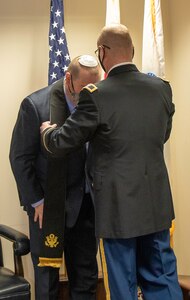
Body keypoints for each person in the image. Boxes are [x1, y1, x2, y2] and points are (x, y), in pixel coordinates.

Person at [40, 24, 183, 300]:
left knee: (123, 285)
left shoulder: (96, 95)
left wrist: (47, 132)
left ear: (103, 53)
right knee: (163, 280)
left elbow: (61, 142)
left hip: (118, 210)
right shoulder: (162, 89)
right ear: (131, 50)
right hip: (156, 205)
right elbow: (161, 136)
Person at [9, 55, 101, 300]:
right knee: (47, 282)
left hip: (86, 207)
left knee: (86, 278)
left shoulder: (97, 104)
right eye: (85, 89)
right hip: (49, 208)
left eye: (95, 87)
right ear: (68, 79)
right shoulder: (35, 105)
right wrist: (36, 201)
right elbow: (19, 158)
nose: (91, 94)